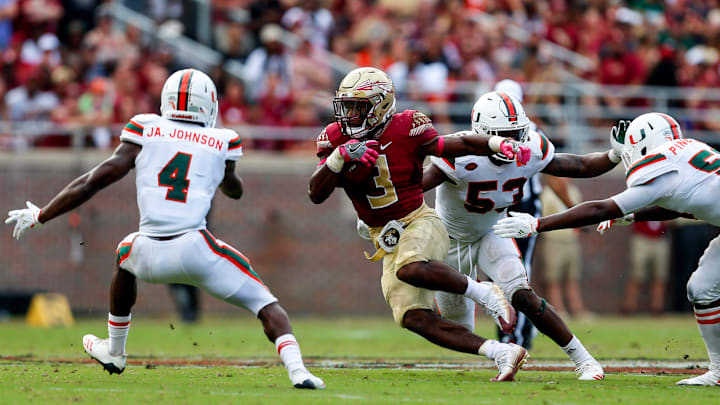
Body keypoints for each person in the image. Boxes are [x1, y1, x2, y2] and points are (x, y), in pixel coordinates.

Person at [5, 68, 325, 390]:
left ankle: (115, 351)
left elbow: (93, 181)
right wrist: (224, 173)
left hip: (146, 252)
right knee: (266, 304)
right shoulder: (223, 140)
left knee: (123, 254)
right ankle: (299, 372)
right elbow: (235, 190)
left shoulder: (146, 128)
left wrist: (42, 214)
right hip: (196, 250)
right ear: (209, 104)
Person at [309, 66, 532, 382]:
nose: (351, 115)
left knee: (410, 266)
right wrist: (339, 158)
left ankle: (484, 293)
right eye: (348, 106)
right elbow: (315, 193)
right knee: (414, 318)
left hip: (419, 221)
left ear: (381, 105)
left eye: (359, 107)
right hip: (383, 236)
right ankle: (500, 352)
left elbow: (456, 145)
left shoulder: (406, 127)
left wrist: (495, 145)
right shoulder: (336, 138)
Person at [493, 112, 720, 386]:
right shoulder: (692, 150)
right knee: (702, 289)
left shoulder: (661, 163)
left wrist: (537, 224)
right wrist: (634, 216)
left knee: (704, 288)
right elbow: (689, 205)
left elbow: (600, 208)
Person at [422, 90, 612, 381]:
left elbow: (579, 166)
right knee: (458, 328)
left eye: (517, 132)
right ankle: (497, 333)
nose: (513, 141)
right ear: (483, 133)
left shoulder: (532, 148)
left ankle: (585, 360)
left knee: (523, 296)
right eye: (504, 134)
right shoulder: (459, 154)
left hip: (493, 231)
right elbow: (416, 187)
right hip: (451, 241)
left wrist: (613, 155)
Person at [620, 220, 670, 315]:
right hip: (641, 237)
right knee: (636, 275)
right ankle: (630, 306)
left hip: (660, 238)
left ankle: (657, 307)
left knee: (660, 276)